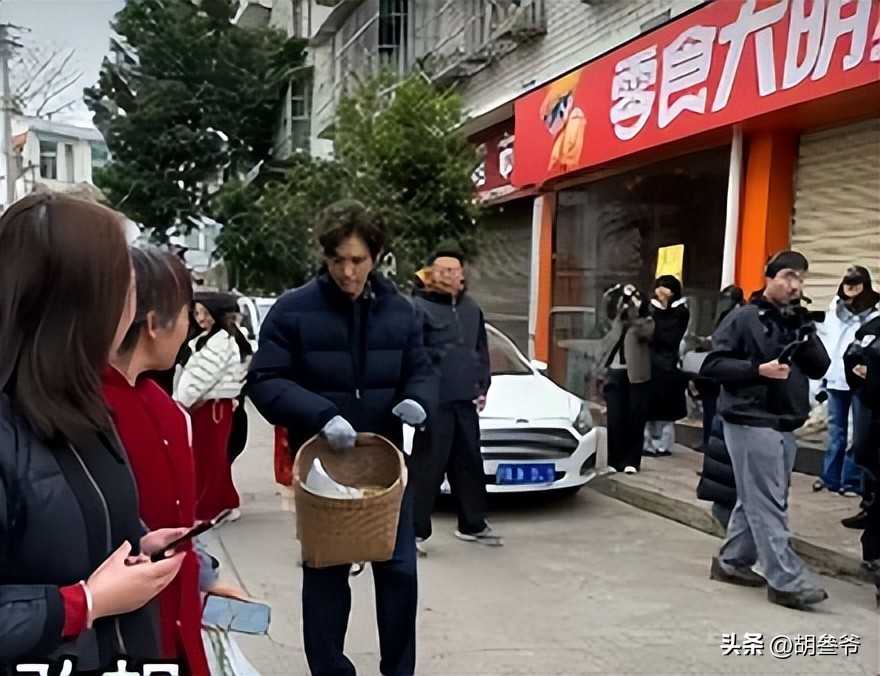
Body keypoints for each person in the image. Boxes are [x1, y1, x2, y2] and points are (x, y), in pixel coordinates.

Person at [245, 200, 435, 676]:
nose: (348, 272)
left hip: (385, 468)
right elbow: (265, 380)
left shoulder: (402, 313)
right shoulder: (293, 311)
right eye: (337, 260)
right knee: (326, 577)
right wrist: (320, 413)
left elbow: (421, 370)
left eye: (357, 260)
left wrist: (418, 400)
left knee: (399, 573)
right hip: (323, 470)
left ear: (377, 257)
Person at [0, 194, 187, 670]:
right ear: (79, 301)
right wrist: (83, 603)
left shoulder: (86, 405)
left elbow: (86, 526)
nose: (131, 306)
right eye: (126, 287)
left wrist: (137, 545)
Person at [102, 248, 216, 674]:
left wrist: (201, 574)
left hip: (176, 619)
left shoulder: (166, 409)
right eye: (185, 313)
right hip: (123, 631)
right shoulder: (85, 413)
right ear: (153, 324)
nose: (188, 327)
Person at [701, 250, 831, 610]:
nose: (795, 285)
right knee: (768, 502)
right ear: (769, 277)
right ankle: (786, 581)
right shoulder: (743, 317)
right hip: (750, 419)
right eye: (788, 276)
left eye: (801, 278)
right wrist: (758, 370)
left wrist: (807, 332)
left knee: (758, 498)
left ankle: (732, 562)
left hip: (785, 421)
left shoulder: (795, 321)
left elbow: (820, 367)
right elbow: (712, 365)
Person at [409, 240, 496, 552]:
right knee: (428, 467)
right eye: (441, 270)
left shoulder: (472, 309)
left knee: (469, 462)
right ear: (430, 273)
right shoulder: (418, 308)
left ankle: (472, 524)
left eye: (453, 270)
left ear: (462, 274)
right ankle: (414, 532)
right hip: (434, 401)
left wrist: (482, 386)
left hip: (465, 399)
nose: (447, 275)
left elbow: (480, 351)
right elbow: (412, 355)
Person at [174, 292, 252, 522]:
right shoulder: (217, 338)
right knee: (213, 457)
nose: (200, 318)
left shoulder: (219, 342)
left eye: (205, 313)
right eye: (197, 313)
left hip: (212, 407)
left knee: (208, 457)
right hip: (214, 406)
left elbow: (200, 377)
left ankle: (210, 508)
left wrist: (179, 402)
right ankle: (224, 503)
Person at [814, 266, 880, 496]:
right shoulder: (834, 312)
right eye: (847, 285)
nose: (851, 292)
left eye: (856, 286)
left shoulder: (874, 317)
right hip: (835, 379)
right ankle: (830, 477)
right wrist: (822, 376)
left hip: (860, 381)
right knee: (836, 432)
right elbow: (827, 343)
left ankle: (850, 480)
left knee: (856, 433)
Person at [597, 284, 655, 474]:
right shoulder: (618, 322)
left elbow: (646, 333)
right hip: (615, 372)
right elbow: (607, 317)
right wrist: (619, 299)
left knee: (635, 419)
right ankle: (614, 460)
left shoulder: (646, 322)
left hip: (636, 376)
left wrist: (636, 312)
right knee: (615, 418)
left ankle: (632, 460)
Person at [691, 285, 745, 451]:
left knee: (717, 410)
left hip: (728, 368)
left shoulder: (740, 315)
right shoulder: (725, 314)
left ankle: (715, 444)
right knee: (710, 408)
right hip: (718, 367)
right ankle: (709, 441)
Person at [643, 275, 690, 457]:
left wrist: (662, 308)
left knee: (666, 411)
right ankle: (646, 444)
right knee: (647, 408)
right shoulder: (649, 309)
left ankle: (663, 445)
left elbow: (668, 337)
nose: (662, 291)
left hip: (669, 364)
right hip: (649, 364)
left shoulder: (681, 312)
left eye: (666, 288)